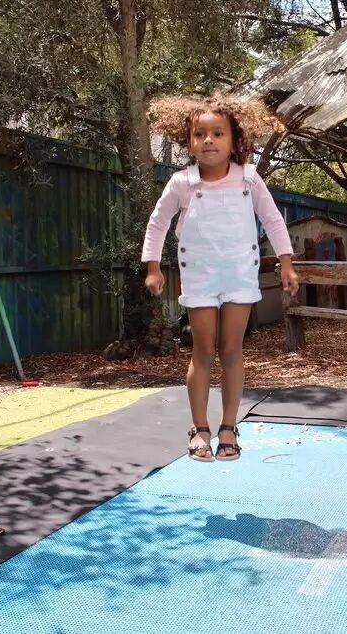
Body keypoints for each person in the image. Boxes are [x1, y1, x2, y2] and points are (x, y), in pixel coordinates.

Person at [141, 94, 299, 462]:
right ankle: (200, 428)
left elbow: (273, 220)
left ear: (234, 139)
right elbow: (158, 222)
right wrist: (152, 267)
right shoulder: (183, 182)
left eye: (217, 133)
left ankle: (229, 427)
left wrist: (287, 263)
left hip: (239, 274)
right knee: (202, 350)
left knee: (231, 350)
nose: (208, 140)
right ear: (189, 141)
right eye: (200, 134)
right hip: (199, 275)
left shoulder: (248, 179)